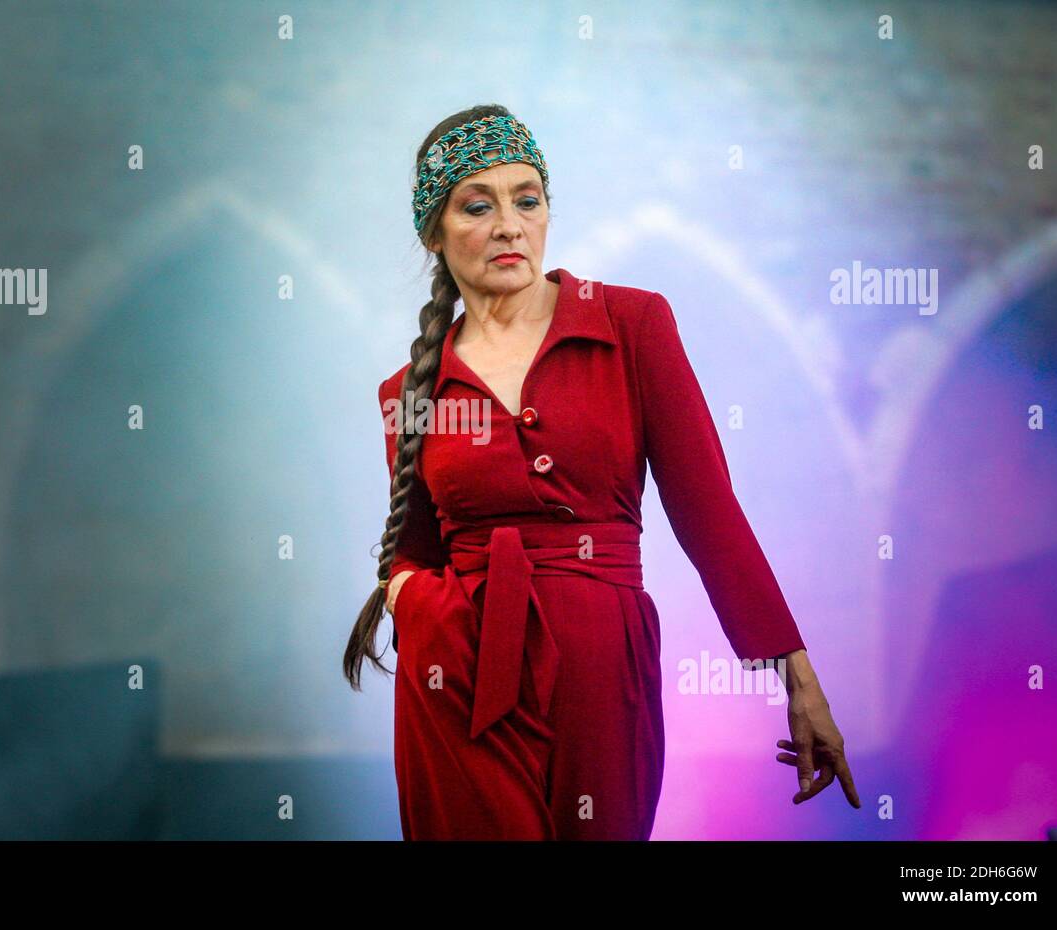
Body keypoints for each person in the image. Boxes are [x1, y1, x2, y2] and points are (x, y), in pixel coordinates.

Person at [343, 104, 859, 840]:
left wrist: (799, 681)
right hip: (457, 674)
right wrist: (408, 594)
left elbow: (711, 517)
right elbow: (414, 547)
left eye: (527, 199)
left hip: (602, 670)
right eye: (476, 205)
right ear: (435, 231)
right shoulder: (409, 392)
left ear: (548, 211)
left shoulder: (631, 326)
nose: (508, 225)